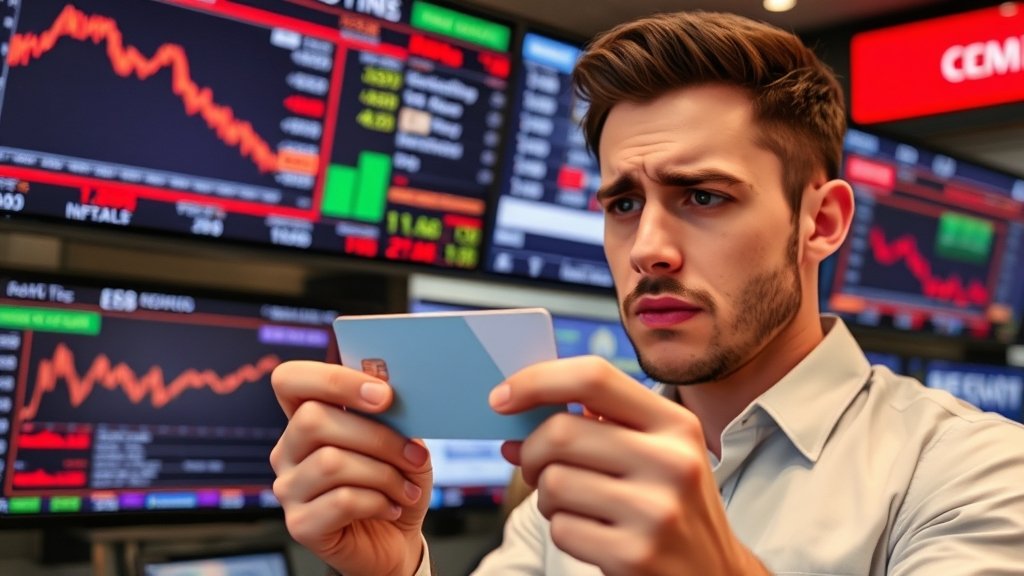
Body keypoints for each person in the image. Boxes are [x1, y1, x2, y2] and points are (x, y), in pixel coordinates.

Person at [269, 10, 1024, 576]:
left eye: (702, 197)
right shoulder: (573, 481)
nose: (650, 250)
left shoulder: (974, 472)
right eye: (623, 205)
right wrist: (400, 567)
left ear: (820, 222)